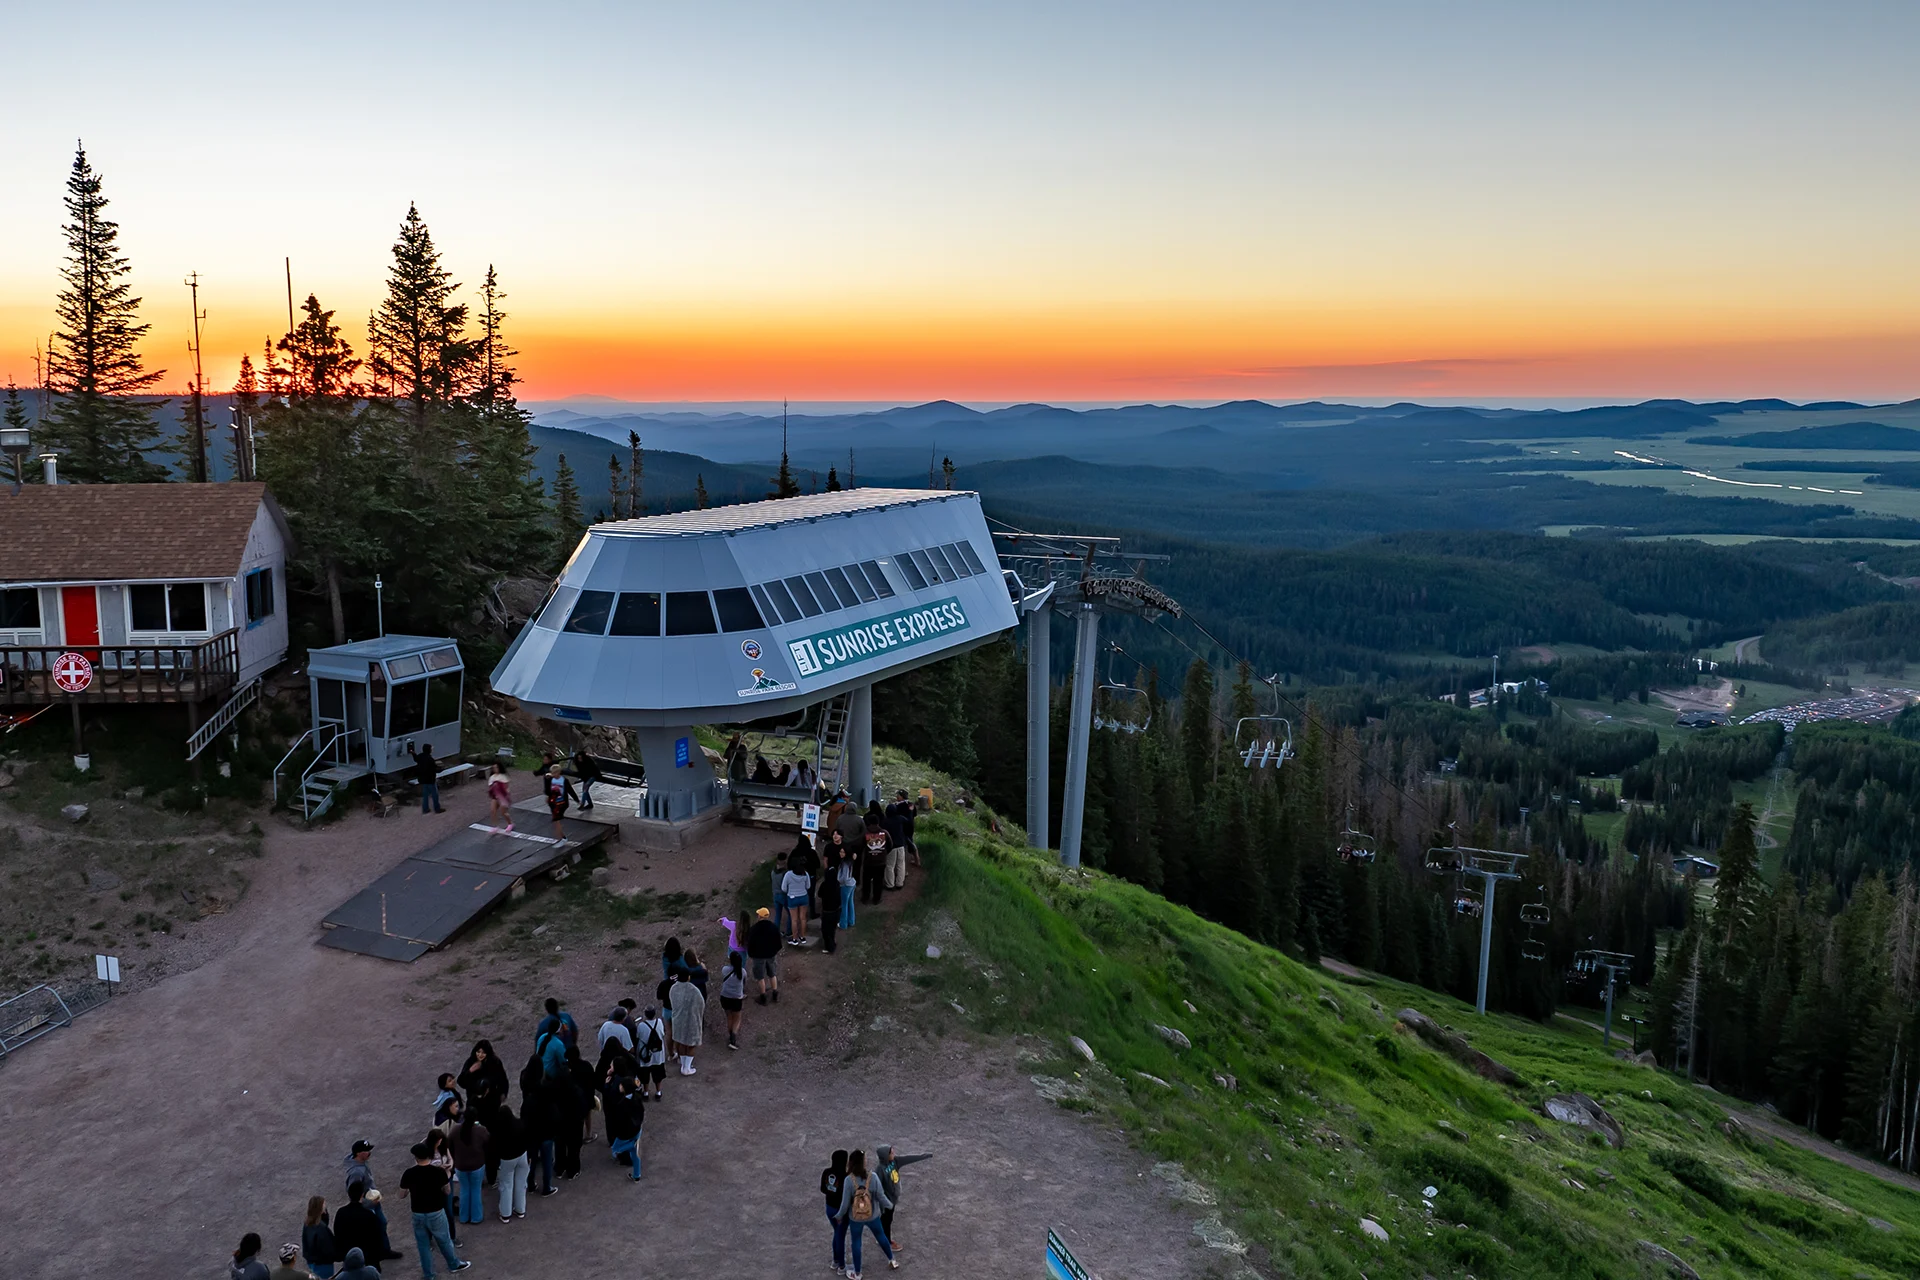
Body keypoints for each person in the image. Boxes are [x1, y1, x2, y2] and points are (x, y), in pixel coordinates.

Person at [398, 1142, 469, 1277]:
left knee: (423, 1246)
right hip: (436, 1211)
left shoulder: (409, 1173)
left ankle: (429, 1275)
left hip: (418, 1213)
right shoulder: (438, 1172)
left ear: (416, 1157)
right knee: (444, 1240)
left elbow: (401, 1195)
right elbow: (447, 1191)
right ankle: (453, 1264)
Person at [835, 1149, 898, 1275]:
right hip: (872, 1215)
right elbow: (881, 1196)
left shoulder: (849, 1180)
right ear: (863, 1162)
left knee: (856, 1243)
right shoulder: (873, 1177)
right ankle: (892, 1260)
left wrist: (839, 1216)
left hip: (856, 1217)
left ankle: (857, 1272)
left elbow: (845, 1203)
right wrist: (890, 1205)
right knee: (881, 1236)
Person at [517, 1051, 559, 1199]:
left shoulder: (525, 1080)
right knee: (547, 1160)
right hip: (546, 1130)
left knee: (531, 1159)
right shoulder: (546, 1088)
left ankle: (530, 1183)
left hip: (531, 1130)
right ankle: (546, 1187)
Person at [875, 1144, 933, 1247]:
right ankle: (887, 1242)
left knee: (886, 1219)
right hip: (887, 1200)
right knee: (887, 1220)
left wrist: (926, 1155)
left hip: (893, 1197)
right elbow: (877, 1187)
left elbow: (909, 1158)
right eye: (891, 1152)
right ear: (885, 1156)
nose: (894, 1153)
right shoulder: (880, 1170)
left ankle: (881, 1236)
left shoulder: (895, 1161)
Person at [601, 1068, 645, 1181]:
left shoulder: (622, 1104)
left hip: (626, 1132)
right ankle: (637, 1175)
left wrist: (606, 1086)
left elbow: (618, 1119)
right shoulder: (637, 1097)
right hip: (637, 1128)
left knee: (616, 1149)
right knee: (635, 1154)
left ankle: (632, 1146)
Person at [331, 1185, 386, 1273]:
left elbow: (337, 1234)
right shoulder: (369, 1215)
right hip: (368, 1257)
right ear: (362, 1195)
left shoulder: (341, 1213)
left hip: (349, 1255)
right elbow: (377, 1237)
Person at [489, 1103, 530, 1222]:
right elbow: (527, 1138)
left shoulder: (498, 1130)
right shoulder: (519, 1124)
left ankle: (506, 1213)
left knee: (506, 1185)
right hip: (522, 1156)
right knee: (521, 1183)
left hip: (507, 1159)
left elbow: (494, 1147)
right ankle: (520, 1210)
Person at [449, 1110, 490, 1226]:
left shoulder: (455, 1130)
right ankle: (476, 1217)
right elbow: (488, 1144)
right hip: (477, 1165)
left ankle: (464, 1217)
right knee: (476, 1190)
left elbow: (450, 1145)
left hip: (460, 1166)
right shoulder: (481, 1130)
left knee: (464, 1189)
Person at [669, 968, 705, 1075]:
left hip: (678, 1020)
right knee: (691, 1044)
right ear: (688, 977)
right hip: (691, 1020)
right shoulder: (694, 990)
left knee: (681, 1042)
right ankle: (687, 1068)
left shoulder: (673, 988)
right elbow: (701, 1004)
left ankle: (683, 1065)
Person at [820, 1149, 850, 1276]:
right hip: (841, 1211)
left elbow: (823, 1189)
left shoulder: (826, 1172)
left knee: (837, 1233)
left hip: (829, 1208)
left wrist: (831, 1191)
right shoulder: (845, 1176)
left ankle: (835, 1261)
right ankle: (841, 1266)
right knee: (840, 1236)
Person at [746, 906, 781, 1004]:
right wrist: (774, 951)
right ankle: (775, 994)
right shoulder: (773, 927)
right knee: (772, 974)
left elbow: (750, 943)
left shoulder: (754, 929)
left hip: (758, 956)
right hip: (771, 955)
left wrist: (751, 954)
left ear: (759, 916)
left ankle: (763, 997)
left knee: (760, 977)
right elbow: (778, 943)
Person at [634, 1002, 668, 1100]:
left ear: (645, 1014)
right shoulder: (659, 1022)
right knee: (658, 1075)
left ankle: (646, 1092)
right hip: (658, 1054)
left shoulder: (641, 1025)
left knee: (645, 1075)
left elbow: (638, 1037)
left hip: (645, 1054)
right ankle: (658, 1091)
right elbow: (663, 1034)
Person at [303, 1197, 339, 1279]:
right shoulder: (321, 1229)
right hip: (323, 1264)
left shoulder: (307, 1224)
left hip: (312, 1262)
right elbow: (328, 1249)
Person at [718, 949, 747, 1048]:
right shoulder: (743, 972)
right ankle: (733, 1038)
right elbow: (744, 983)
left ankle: (730, 1034)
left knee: (729, 1017)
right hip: (736, 999)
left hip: (725, 997)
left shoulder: (725, 970)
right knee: (737, 1018)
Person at [782, 859, 812, 945]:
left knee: (794, 919)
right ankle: (802, 937)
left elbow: (783, 888)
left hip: (792, 898)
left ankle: (795, 939)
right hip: (803, 897)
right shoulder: (805, 874)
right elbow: (808, 886)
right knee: (803, 918)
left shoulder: (788, 875)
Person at [409, 743, 444, 814]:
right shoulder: (430, 759)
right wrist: (441, 769)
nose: (432, 749)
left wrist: (412, 752)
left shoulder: (420, 756)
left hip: (423, 779)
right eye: (431, 748)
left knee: (425, 796)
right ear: (429, 750)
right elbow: (434, 769)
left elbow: (416, 759)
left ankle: (425, 809)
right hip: (430, 780)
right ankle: (437, 809)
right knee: (435, 795)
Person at [818, 847, 842, 955]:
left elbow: (819, 894)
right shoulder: (837, 884)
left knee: (825, 931)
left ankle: (829, 947)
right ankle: (832, 944)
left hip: (827, 912)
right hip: (836, 911)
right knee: (832, 930)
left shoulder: (825, 885)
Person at [887, 789, 919, 868]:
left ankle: (911, 863)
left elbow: (894, 815)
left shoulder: (898, 806)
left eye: (898, 795)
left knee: (905, 843)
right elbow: (915, 814)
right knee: (910, 840)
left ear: (902, 796)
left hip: (903, 826)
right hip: (911, 825)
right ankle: (916, 859)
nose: (897, 796)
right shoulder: (911, 804)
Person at [861, 821, 888, 905]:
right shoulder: (884, 832)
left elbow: (860, 845)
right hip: (880, 862)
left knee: (866, 881)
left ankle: (865, 898)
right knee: (878, 881)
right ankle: (876, 899)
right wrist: (883, 853)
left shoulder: (865, 833)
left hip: (868, 862)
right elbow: (890, 844)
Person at [544, 764, 570, 839]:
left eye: (555, 773)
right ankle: (560, 836)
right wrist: (548, 796)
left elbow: (570, 790)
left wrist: (577, 800)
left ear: (559, 772)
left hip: (561, 801)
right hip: (553, 801)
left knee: (557, 819)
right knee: (556, 819)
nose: (553, 775)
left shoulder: (564, 780)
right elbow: (547, 789)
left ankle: (562, 836)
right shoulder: (550, 779)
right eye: (552, 773)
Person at [838, 839, 859, 931]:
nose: (841, 853)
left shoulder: (844, 863)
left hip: (845, 885)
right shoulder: (850, 861)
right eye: (840, 852)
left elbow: (844, 877)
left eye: (843, 852)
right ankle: (851, 921)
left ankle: (843, 924)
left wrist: (839, 880)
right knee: (850, 903)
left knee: (844, 905)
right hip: (852, 883)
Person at [485, 763, 512, 831]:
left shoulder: (503, 776)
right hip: (495, 796)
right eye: (494, 768)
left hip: (503, 796)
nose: (495, 769)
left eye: (496, 767)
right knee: (493, 810)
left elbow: (506, 787)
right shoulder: (492, 777)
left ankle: (510, 823)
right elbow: (490, 787)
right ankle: (495, 826)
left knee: (503, 812)